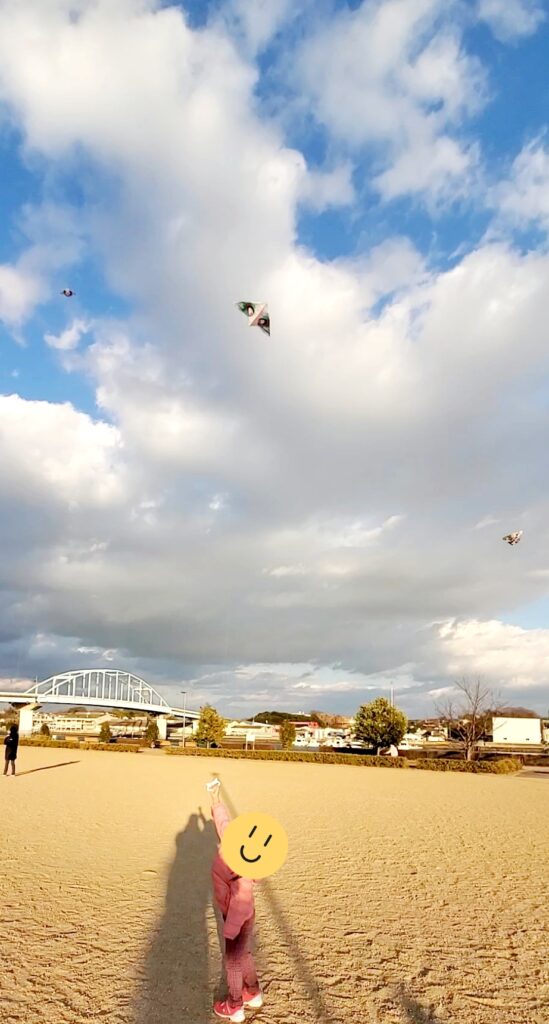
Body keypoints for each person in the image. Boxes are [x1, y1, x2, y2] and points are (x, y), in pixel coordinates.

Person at [207, 778, 262, 1022]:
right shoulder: (237, 846)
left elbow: (240, 900)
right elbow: (224, 824)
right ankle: (252, 992)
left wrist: (230, 929)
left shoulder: (242, 872)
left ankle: (235, 1004)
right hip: (240, 910)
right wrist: (215, 799)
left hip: (237, 915)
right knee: (244, 952)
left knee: (233, 961)